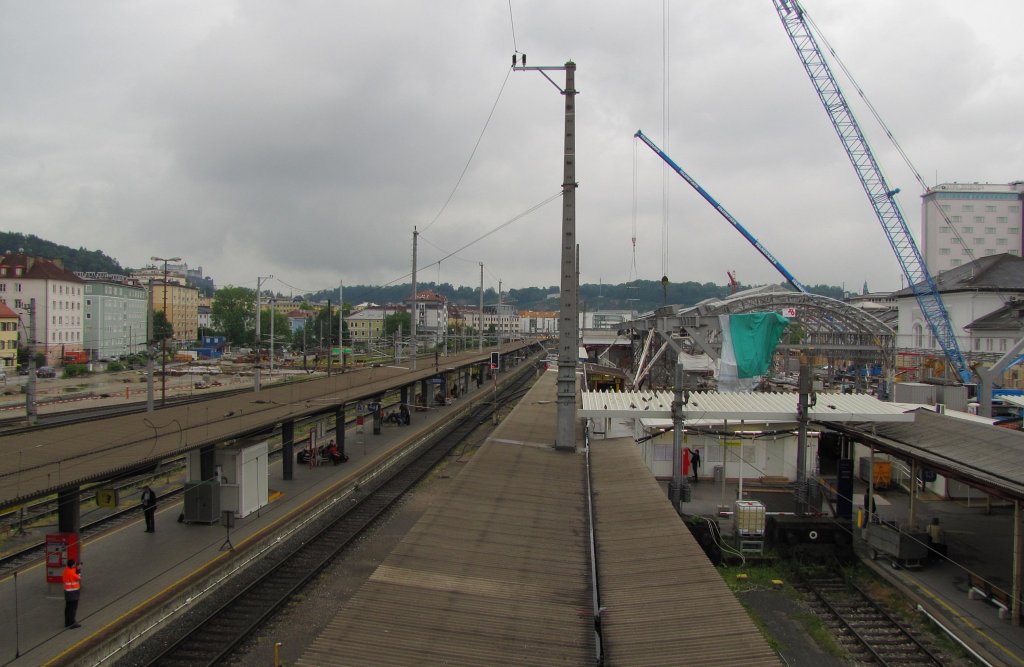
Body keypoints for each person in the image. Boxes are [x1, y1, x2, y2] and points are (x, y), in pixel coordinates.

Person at [63, 558, 82, 629]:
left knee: (68, 608)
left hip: (67, 592)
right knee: (73, 609)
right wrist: (79, 570)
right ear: (72, 565)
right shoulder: (72, 573)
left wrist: (76, 568)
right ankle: (72, 623)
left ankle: (67, 622)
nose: (75, 565)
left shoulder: (66, 570)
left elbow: (73, 570)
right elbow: (78, 577)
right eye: (74, 564)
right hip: (73, 592)